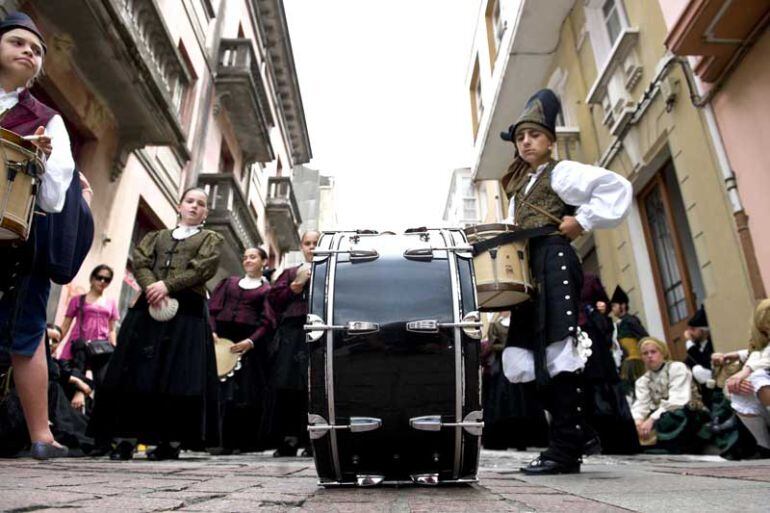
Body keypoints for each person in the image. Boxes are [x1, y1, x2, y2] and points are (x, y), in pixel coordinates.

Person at [497, 88, 633, 474]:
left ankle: (565, 450)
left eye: (534, 135)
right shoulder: (518, 187)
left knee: (556, 347)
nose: (526, 142)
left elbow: (616, 187)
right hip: (530, 267)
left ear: (550, 140)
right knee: (526, 354)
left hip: (555, 259)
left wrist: (583, 221)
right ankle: (578, 431)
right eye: (521, 137)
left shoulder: (564, 172)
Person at [88, 187, 223, 460]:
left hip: (187, 312)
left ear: (206, 212)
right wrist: (153, 287)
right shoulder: (155, 237)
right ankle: (124, 437)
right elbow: (141, 263)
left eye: (201, 204)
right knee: (135, 372)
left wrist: (167, 285)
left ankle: (170, 441)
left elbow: (202, 269)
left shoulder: (211, 238)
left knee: (178, 376)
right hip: (148, 308)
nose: (194, 206)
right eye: (190, 201)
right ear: (180, 205)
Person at [0, 12, 78, 460]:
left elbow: (54, 199)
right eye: (18, 42)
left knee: (26, 334)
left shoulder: (48, 119)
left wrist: (41, 160)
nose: (29, 51)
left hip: (18, 242)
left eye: (37, 50)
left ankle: (42, 434)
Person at [208, 247, 275, 453]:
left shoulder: (268, 291)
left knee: (243, 394)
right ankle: (214, 441)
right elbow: (212, 310)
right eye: (245, 257)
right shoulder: (228, 283)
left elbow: (267, 322)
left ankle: (239, 442)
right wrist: (212, 332)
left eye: (253, 257)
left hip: (248, 345)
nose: (247, 260)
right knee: (218, 390)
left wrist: (251, 341)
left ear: (263, 261)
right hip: (221, 341)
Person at [265, 230, 319, 457]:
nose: (312, 247)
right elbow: (273, 300)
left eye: (316, 243)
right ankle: (288, 439)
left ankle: (312, 440)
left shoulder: (331, 270)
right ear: (301, 247)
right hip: (291, 334)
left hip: (318, 331)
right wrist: (294, 287)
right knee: (287, 386)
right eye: (307, 243)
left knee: (313, 387)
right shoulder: (288, 273)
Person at [579, 274, 639, 455]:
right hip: (569, 337)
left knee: (602, 386)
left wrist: (601, 308)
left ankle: (615, 441)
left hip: (593, 340)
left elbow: (603, 304)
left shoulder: (589, 280)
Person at [482, 311, 549, 450]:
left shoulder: (520, 322)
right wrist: (505, 346)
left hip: (520, 363)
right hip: (503, 366)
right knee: (502, 401)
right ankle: (502, 439)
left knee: (523, 400)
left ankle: (524, 438)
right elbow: (492, 343)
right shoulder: (496, 324)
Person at [713, 299, 770, 458]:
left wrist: (745, 371)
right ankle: (765, 447)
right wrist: (738, 380)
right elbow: (758, 354)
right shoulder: (757, 352)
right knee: (740, 391)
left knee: (757, 376)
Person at [632, 337, 709, 454]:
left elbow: (678, 399)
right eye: (645, 353)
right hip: (659, 416)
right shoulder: (643, 381)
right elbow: (641, 404)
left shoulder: (677, 368)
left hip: (685, 411)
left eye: (653, 352)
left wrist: (652, 419)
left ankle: (670, 445)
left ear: (662, 353)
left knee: (670, 417)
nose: (649, 356)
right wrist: (638, 421)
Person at [57, 265, 119, 394]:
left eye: (107, 279)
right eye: (99, 277)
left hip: (99, 350)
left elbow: (112, 329)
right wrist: (54, 344)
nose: (102, 281)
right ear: (92, 278)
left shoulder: (111, 303)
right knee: (69, 382)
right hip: (78, 346)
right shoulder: (77, 300)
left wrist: (115, 350)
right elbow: (66, 325)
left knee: (101, 385)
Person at [610, 286, 649, 398]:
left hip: (634, 363)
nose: (612, 309)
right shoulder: (619, 324)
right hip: (624, 363)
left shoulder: (631, 321)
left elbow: (644, 338)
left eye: (614, 306)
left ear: (622, 305)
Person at [684, 306, 714, 398]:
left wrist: (690, 344)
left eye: (693, 329)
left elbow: (704, 362)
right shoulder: (696, 346)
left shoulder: (712, 344)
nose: (689, 333)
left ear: (702, 330)